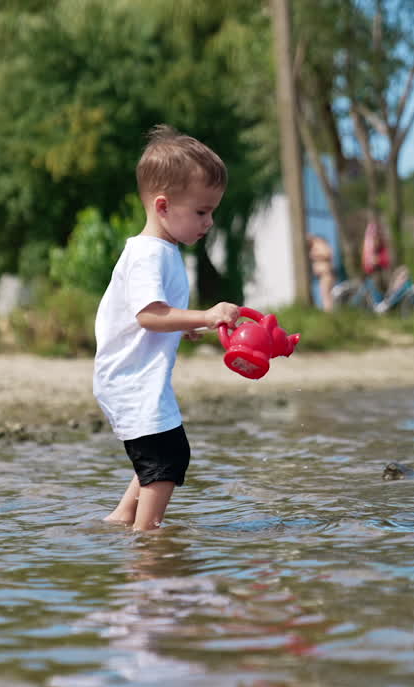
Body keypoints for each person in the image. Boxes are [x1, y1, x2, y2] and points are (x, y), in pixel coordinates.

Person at [93, 125, 241, 532]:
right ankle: (148, 540)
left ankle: (122, 519)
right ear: (162, 206)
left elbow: (157, 318)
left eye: (212, 211)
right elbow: (147, 315)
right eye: (200, 211)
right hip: (131, 380)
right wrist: (206, 315)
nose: (209, 221)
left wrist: (184, 328)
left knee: (157, 454)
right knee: (168, 455)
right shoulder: (148, 255)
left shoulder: (165, 251)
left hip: (135, 378)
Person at [307, 233, 336, 311]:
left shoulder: (320, 244)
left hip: (326, 274)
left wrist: (314, 255)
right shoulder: (316, 245)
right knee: (325, 294)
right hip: (323, 275)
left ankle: (329, 312)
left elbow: (328, 254)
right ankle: (328, 311)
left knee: (326, 295)